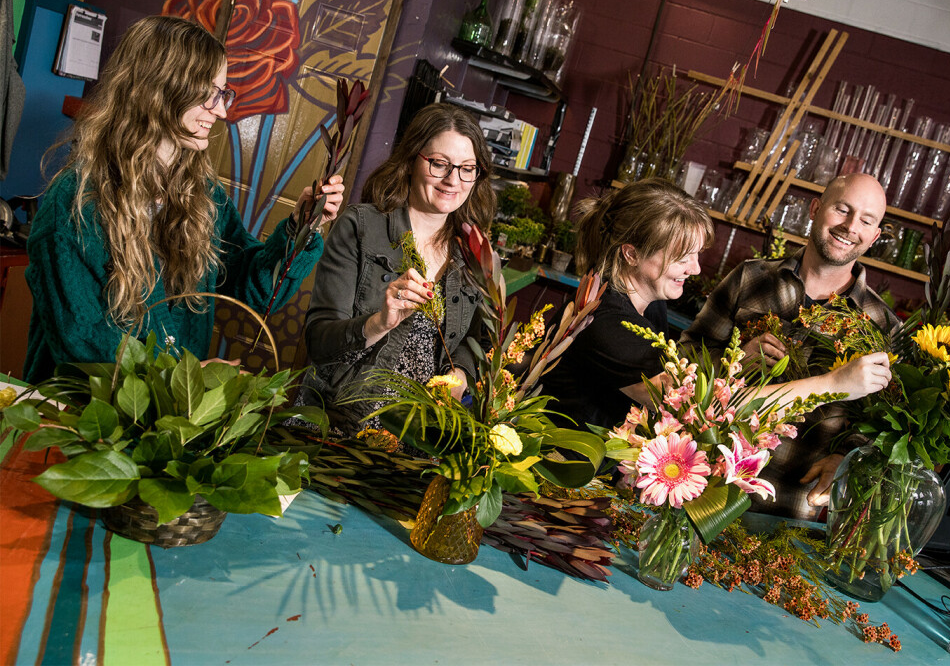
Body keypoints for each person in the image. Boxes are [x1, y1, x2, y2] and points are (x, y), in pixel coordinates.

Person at [23, 15, 344, 382]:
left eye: (223, 93)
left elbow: (250, 286)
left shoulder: (202, 196)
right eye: (209, 93)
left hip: (163, 425)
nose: (222, 110)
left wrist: (301, 228)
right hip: (80, 426)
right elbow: (81, 345)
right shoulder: (76, 202)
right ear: (157, 89)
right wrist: (179, 380)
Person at [540, 178, 892, 446]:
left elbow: (684, 375)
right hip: (552, 472)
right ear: (631, 253)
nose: (694, 270)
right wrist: (832, 385)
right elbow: (702, 405)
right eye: (682, 257)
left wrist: (735, 360)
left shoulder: (651, 306)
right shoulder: (608, 322)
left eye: (696, 255)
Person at [682, 172, 900, 520]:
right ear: (815, 208)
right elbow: (686, 359)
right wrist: (734, 360)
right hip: (702, 488)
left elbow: (881, 424)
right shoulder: (750, 278)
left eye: (866, 220)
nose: (850, 226)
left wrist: (847, 456)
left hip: (790, 508)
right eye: (842, 209)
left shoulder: (882, 326)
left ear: (874, 236)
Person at [297, 103, 496, 436]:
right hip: (341, 426)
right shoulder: (361, 227)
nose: (453, 180)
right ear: (411, 160)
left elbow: (471, 340)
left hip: (420, 437)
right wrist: (378, 323)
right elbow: (318, 343)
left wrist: (460, 374)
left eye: (467, 168)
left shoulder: (472, 252)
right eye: (439, 164)